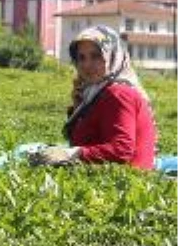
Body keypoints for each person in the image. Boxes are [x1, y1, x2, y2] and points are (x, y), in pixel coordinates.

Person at [29, 25, 156, 169]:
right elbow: (87, 141)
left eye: (96, 56)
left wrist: (71, 154)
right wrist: (79, 108)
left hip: (124, 181)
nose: (86, 65)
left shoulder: (119, 93)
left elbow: (121, 150)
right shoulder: (96, 92)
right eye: (81, 58)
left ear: (112, 55)